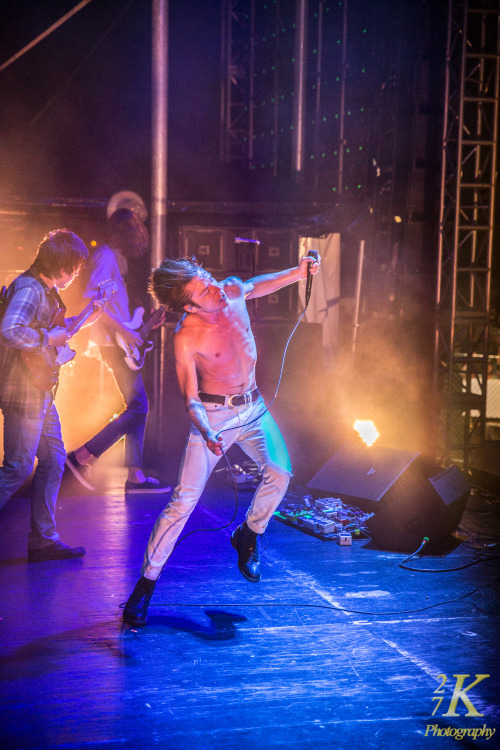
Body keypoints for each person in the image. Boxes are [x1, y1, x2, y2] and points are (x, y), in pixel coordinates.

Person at [123, 252, 321, 625]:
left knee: (280, 470)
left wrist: (298, 272)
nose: (214, 287)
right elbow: (190, 398)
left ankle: (248, 533)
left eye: (207, 277)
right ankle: (145, 587)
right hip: (215, 416)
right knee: (183, 502)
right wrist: (207, 430)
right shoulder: (186, 336)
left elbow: (256, 285)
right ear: (188, 305)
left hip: (254, 408)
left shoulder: (229, 292)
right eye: (203, 288)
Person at [0, 229, 102, 562]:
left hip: (39, 389)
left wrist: (87, 318)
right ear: (59, 265)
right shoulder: (30, 289)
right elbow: (9, 330)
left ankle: (43, 539)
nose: (75, 275)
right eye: (73, 268)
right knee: (16, 468)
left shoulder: (46, 289)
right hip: (24, 392)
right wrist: (46, 338)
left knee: (55, 460)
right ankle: (43, 538)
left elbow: (55, 331)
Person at [64, 208, 170, 494]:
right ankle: (83, 455)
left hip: (118, 342)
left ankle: (134, 474)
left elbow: (117, 312)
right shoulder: (106, 256)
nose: (140, 238)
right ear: (125, 231)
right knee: (138, 407)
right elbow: (91, 301)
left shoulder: (115, 259)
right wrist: (125, 332)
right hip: (112, 345)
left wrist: (144, 326)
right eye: (135, 231)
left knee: (138, 408)